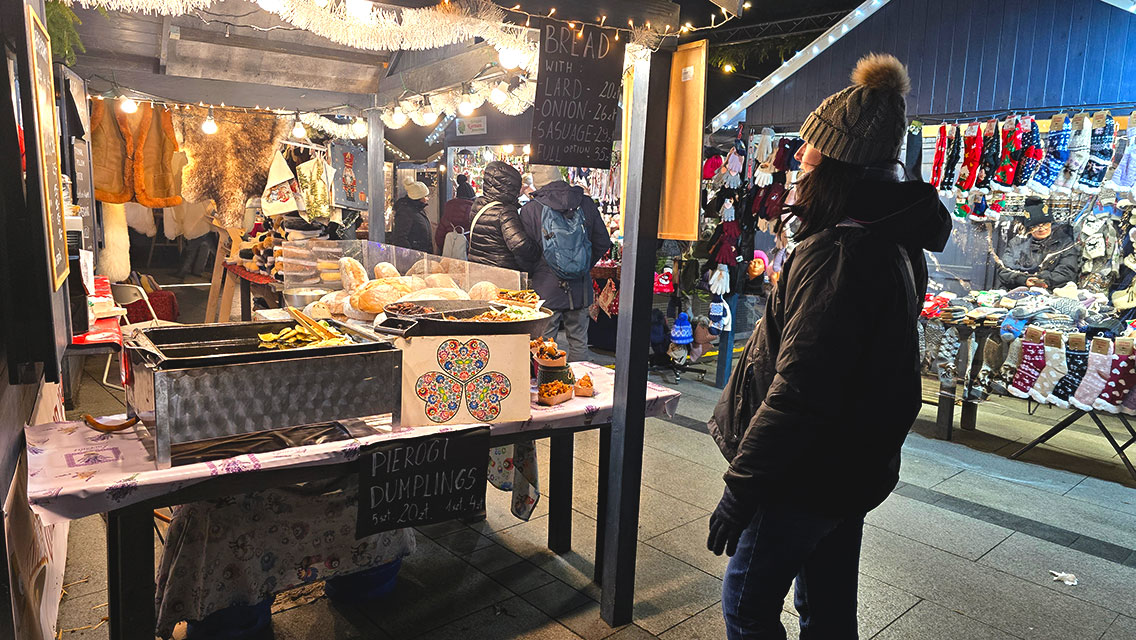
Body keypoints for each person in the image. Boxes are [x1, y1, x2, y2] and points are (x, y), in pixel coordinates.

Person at [706, 53, 952, 639]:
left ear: (838, 170)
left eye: (808, 159)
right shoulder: (889, 239)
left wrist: (741, 490)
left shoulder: (840, 252)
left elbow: (800, 390)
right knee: (829, 606)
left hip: (803, 474)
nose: (797, 172)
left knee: (746, 607)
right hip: (848, 468)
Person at [520, 164, 612, 361]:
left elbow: (526, 253)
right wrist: (583, 264)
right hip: (580, 287)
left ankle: (549, 386)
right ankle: (581, 385)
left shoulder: (531, 209)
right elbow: (603, 241)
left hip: (546, 288)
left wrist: (539, 272)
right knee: (579, 341)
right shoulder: (585, 203)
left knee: (545, 346)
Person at [468, 160, 540, 271]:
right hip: (501, 272)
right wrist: (538, 252)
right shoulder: (505, 211)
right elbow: (519, 244)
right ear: (510, 185)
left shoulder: (478, 204)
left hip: (478, 269)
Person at [995, 197, 1078, 290]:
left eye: (1046, 224)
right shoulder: (1016, 243)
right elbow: (1004, 270)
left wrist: (1044, 280)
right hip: (1020, 290)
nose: (1041, 228)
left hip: (1053, 291)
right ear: (1028, 228)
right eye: (1035, 226)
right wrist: (1023, 280)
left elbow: (1067, 270)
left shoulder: (1064, 244)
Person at [389, 176, 432, 254]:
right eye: (425, 196)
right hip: (414, 256)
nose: (427, 198)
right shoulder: (406, 212)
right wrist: (411, 255)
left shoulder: (417, 210)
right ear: (418, 197)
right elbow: (400, 238)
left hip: (420, 254)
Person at [435, 174, 475, 252]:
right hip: (469, 256)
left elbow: (439, 236)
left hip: (450, 253)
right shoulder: (474, 212)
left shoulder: (448, 210)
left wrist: (448, 248)